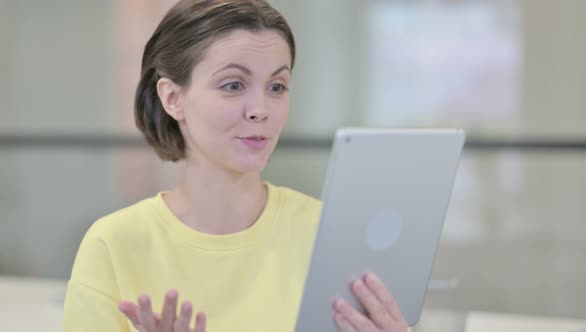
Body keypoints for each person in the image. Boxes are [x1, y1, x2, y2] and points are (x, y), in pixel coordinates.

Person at [63, 0, 409, 331]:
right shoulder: (113, 245)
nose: (261, 109)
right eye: (233, 85)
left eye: (277, 86)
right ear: (172, 98)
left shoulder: (330, 235)